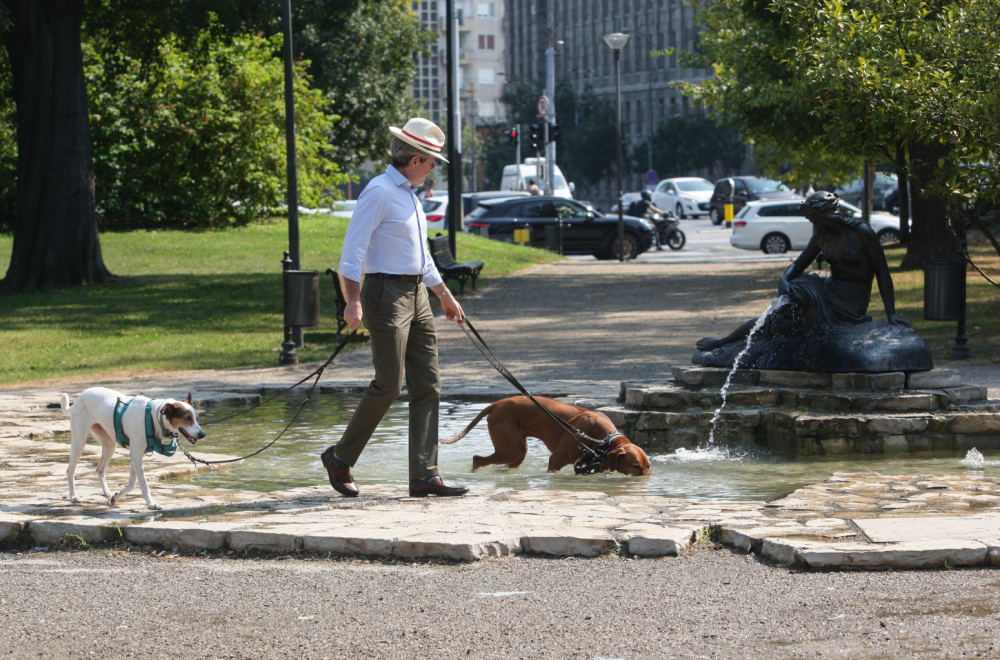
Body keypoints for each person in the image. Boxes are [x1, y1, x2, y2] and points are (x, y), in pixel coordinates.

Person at [320, 117, 469, 499]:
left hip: (417, 294)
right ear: (415, 159)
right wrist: (353, 301)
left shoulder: (409, 196)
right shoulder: (379, 191)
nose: (433, 168)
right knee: (389, 383)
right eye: (432, 162)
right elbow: (352, 251)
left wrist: (444, 295)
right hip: (384, 293)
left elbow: (421, 257)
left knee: (428, 384)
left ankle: (425, 475)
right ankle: (339, 457)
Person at [697, 191, 910, 354]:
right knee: (778, 318)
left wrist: (891, 313)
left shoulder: (861, 232)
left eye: (817, 220)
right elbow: (798, 265)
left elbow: (883, 273)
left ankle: (732, 346)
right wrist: (784, 279)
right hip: (827, 294)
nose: (815, 225)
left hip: (849, 306)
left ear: (830, 215)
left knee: (792, 319)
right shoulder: (822, 235)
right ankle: (725, 343)